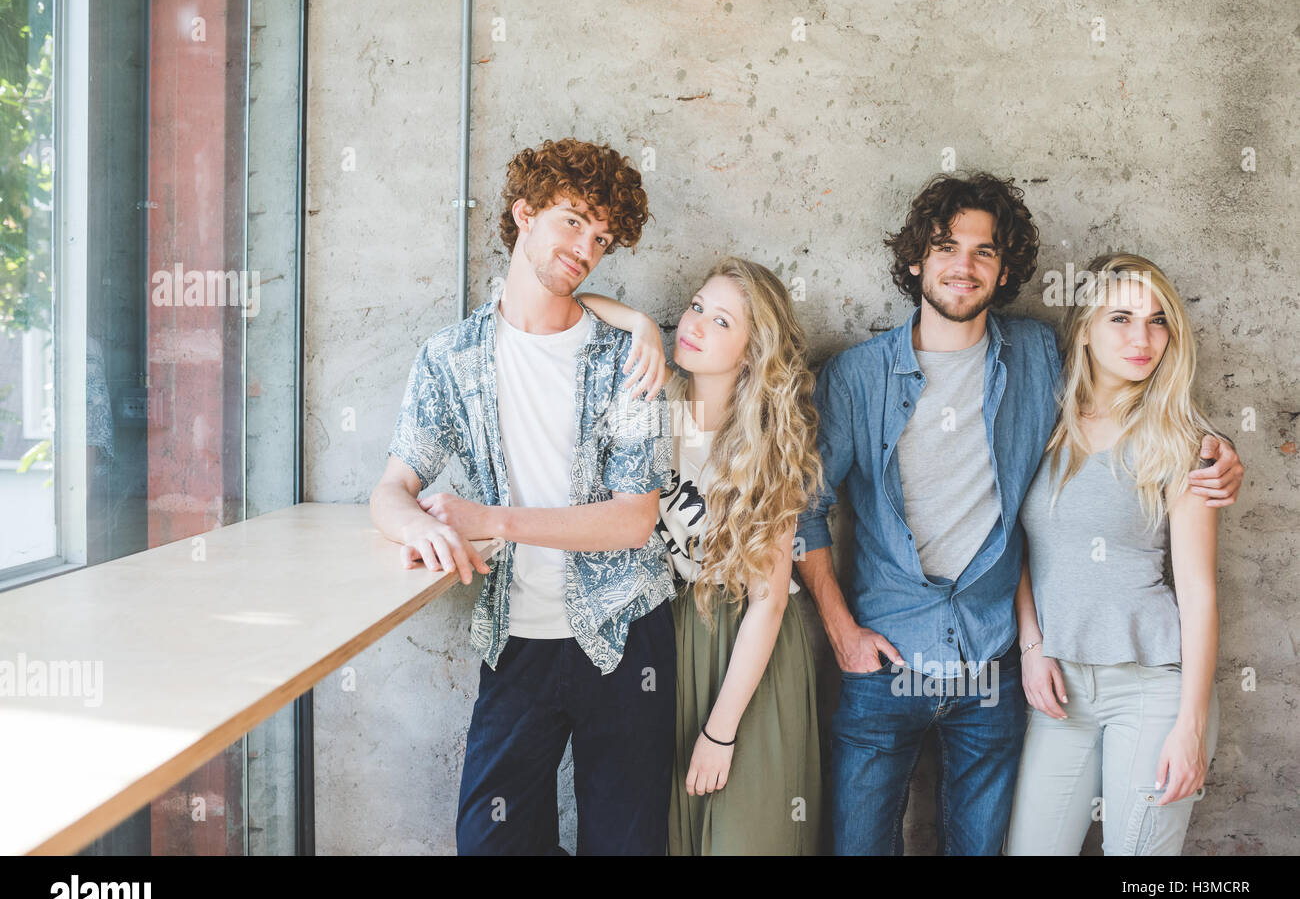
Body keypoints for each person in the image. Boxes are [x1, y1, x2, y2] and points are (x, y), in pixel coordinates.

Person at [794, 172, 1245, 855]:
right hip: (884, 663)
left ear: (1006, 269)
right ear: (916, 258)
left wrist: (1214, 447)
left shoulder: (1035, 356)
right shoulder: (857, 377)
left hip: (998, 667)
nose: (963, 265)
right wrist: (840, 629)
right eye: (946, 246)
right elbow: (801, 508)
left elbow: (1127, 387)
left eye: (985, 251)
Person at [369, 137, 677, 855]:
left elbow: (635, 520)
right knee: (490, 843)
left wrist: (490, 520)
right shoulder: (450, 356)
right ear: (525, 213)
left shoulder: (629, 358)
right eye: (573, 221)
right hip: (517, 640)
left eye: (601, 237)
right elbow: (391, 488)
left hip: (626, 636)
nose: (586, 246)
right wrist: (416, 523)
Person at [580, 257, 824, 854]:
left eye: (720, 321)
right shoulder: (653, 396)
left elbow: (768, 603)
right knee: (675, 830)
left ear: (752, 350)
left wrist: (721, 732)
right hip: (671, 632)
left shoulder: (771, 439)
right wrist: (639, 323)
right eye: (695, 307)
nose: (693, 324)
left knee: (748, 829)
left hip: (751, 647)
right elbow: (576, 301)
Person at [1004, 254, 1223, 855]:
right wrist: (1032, 646)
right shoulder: (1041, 425)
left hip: (1152, 688)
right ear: (1085, 329)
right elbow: (1013, 546)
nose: (1142, 338)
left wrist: (1190, 726)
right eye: (1121, 317)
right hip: (1060, 690)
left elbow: (1200, 593)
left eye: (1157, 322)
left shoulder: (1184, 443)